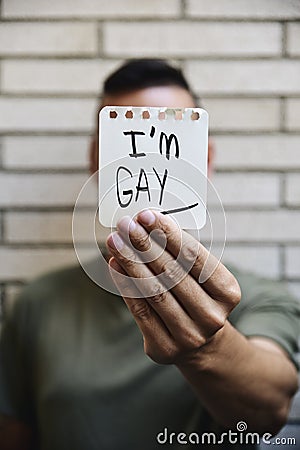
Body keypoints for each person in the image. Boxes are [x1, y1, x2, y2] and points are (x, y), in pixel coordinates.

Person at [0, 59, 299, 450]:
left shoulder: (260, 298)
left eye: (171, 145)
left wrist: (206, 349)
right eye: (129, 143)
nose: (150, 166)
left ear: (204, 161)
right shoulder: (37, 303)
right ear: (96, 161)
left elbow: (268, 413)